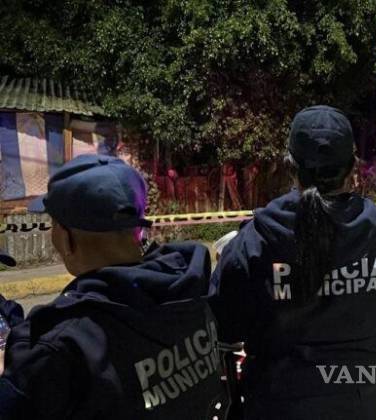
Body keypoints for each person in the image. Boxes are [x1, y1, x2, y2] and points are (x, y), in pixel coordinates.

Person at [209, 105, 376, 420]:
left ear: (291, 166)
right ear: (352, 167)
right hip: (364, 406)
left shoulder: (254, 241)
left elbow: (223, 325)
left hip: (278, 405)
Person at [0, 154, 226, 420]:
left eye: (53, 225)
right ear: (136, 229)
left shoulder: (57, 343)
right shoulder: (191, 289)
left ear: (66, 237)